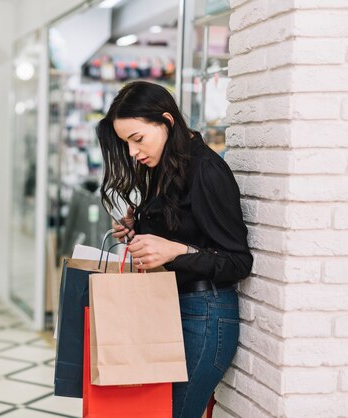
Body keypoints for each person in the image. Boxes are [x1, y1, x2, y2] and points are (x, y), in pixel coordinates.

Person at [97, 81, 252, 418]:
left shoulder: (206, 170)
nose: (133, 152)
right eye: (126, 144)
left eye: (137, 139)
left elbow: (238, 262)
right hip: (169, 306)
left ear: (166, 120)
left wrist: (174, 251)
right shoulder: (164, 166)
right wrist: (136, 228)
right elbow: (183, 227)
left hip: (204, 314)